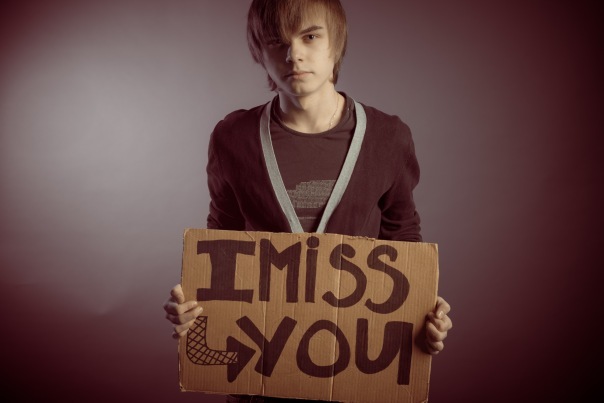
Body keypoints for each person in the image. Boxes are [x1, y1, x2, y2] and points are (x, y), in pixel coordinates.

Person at [164, 0, 452, 401]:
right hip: (260, 381)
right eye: (275, 42)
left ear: (337, 42)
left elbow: (403, 239)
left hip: (357, 377)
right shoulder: (233, 137)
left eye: (310, 36)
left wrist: (420, 315)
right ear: (259, 52)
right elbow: (222, 241)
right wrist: (196, 309)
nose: (293, 54)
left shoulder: (388, 137)